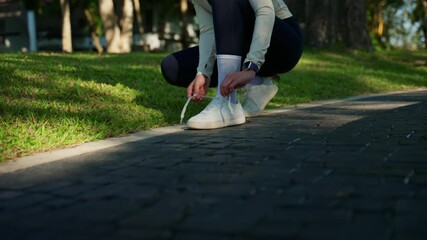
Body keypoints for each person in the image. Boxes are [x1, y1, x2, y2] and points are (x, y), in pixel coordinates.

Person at [161, 0, 303, 129]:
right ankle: (258, 84)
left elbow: (265, 10)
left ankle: (227, 103)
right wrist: (203, 72)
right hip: (241, 45)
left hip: (283, 46)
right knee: (172, 67)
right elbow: (208, 29)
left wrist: (252, 65)